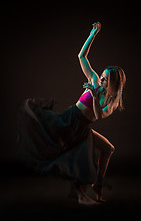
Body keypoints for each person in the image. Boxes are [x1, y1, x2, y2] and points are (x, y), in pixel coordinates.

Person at [16, 22, 126, 205]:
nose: (102, 79)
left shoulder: (110, 102)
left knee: (108, 149)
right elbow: (82, 56)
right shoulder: (94, 80)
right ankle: (82, 195)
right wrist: (92, 34)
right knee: (79, 156)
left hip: (82, 126)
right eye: (103, 76)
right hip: (70, 120)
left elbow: (98, 117)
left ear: (113, 85)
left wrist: (93, 95)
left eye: (106, 79)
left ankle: (97, 186)